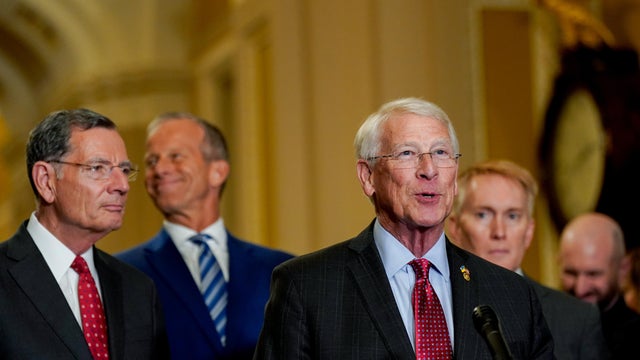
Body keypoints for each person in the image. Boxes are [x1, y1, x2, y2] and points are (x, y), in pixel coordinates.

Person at [253, 97, 554, 359]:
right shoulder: (307, 288)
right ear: (368, 177)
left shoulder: (512, 295)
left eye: (440, 153)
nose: (429, 170)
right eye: (407, 153)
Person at [116, 112, 293, 360]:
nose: (160, 169)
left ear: (217, 172)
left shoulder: (282, 270)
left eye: (175, 156)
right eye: (152, 161)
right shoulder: (120, 273)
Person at [0, 108, 169, 359]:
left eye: (124, 170)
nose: (122, 185)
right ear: (46, 181)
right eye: (98, 168)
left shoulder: (139, 290)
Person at [447, 159, 609, 360]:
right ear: (455, 227)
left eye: (512, 216)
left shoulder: (577, 319)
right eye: (483, 215)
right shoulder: (433, 310)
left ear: (529, 232)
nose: (499, 232)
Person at [559, 212, 640, 359]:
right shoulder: (542, 327)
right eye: (571, 273)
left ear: (623, 269)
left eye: (593, 274)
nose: (580, 289)